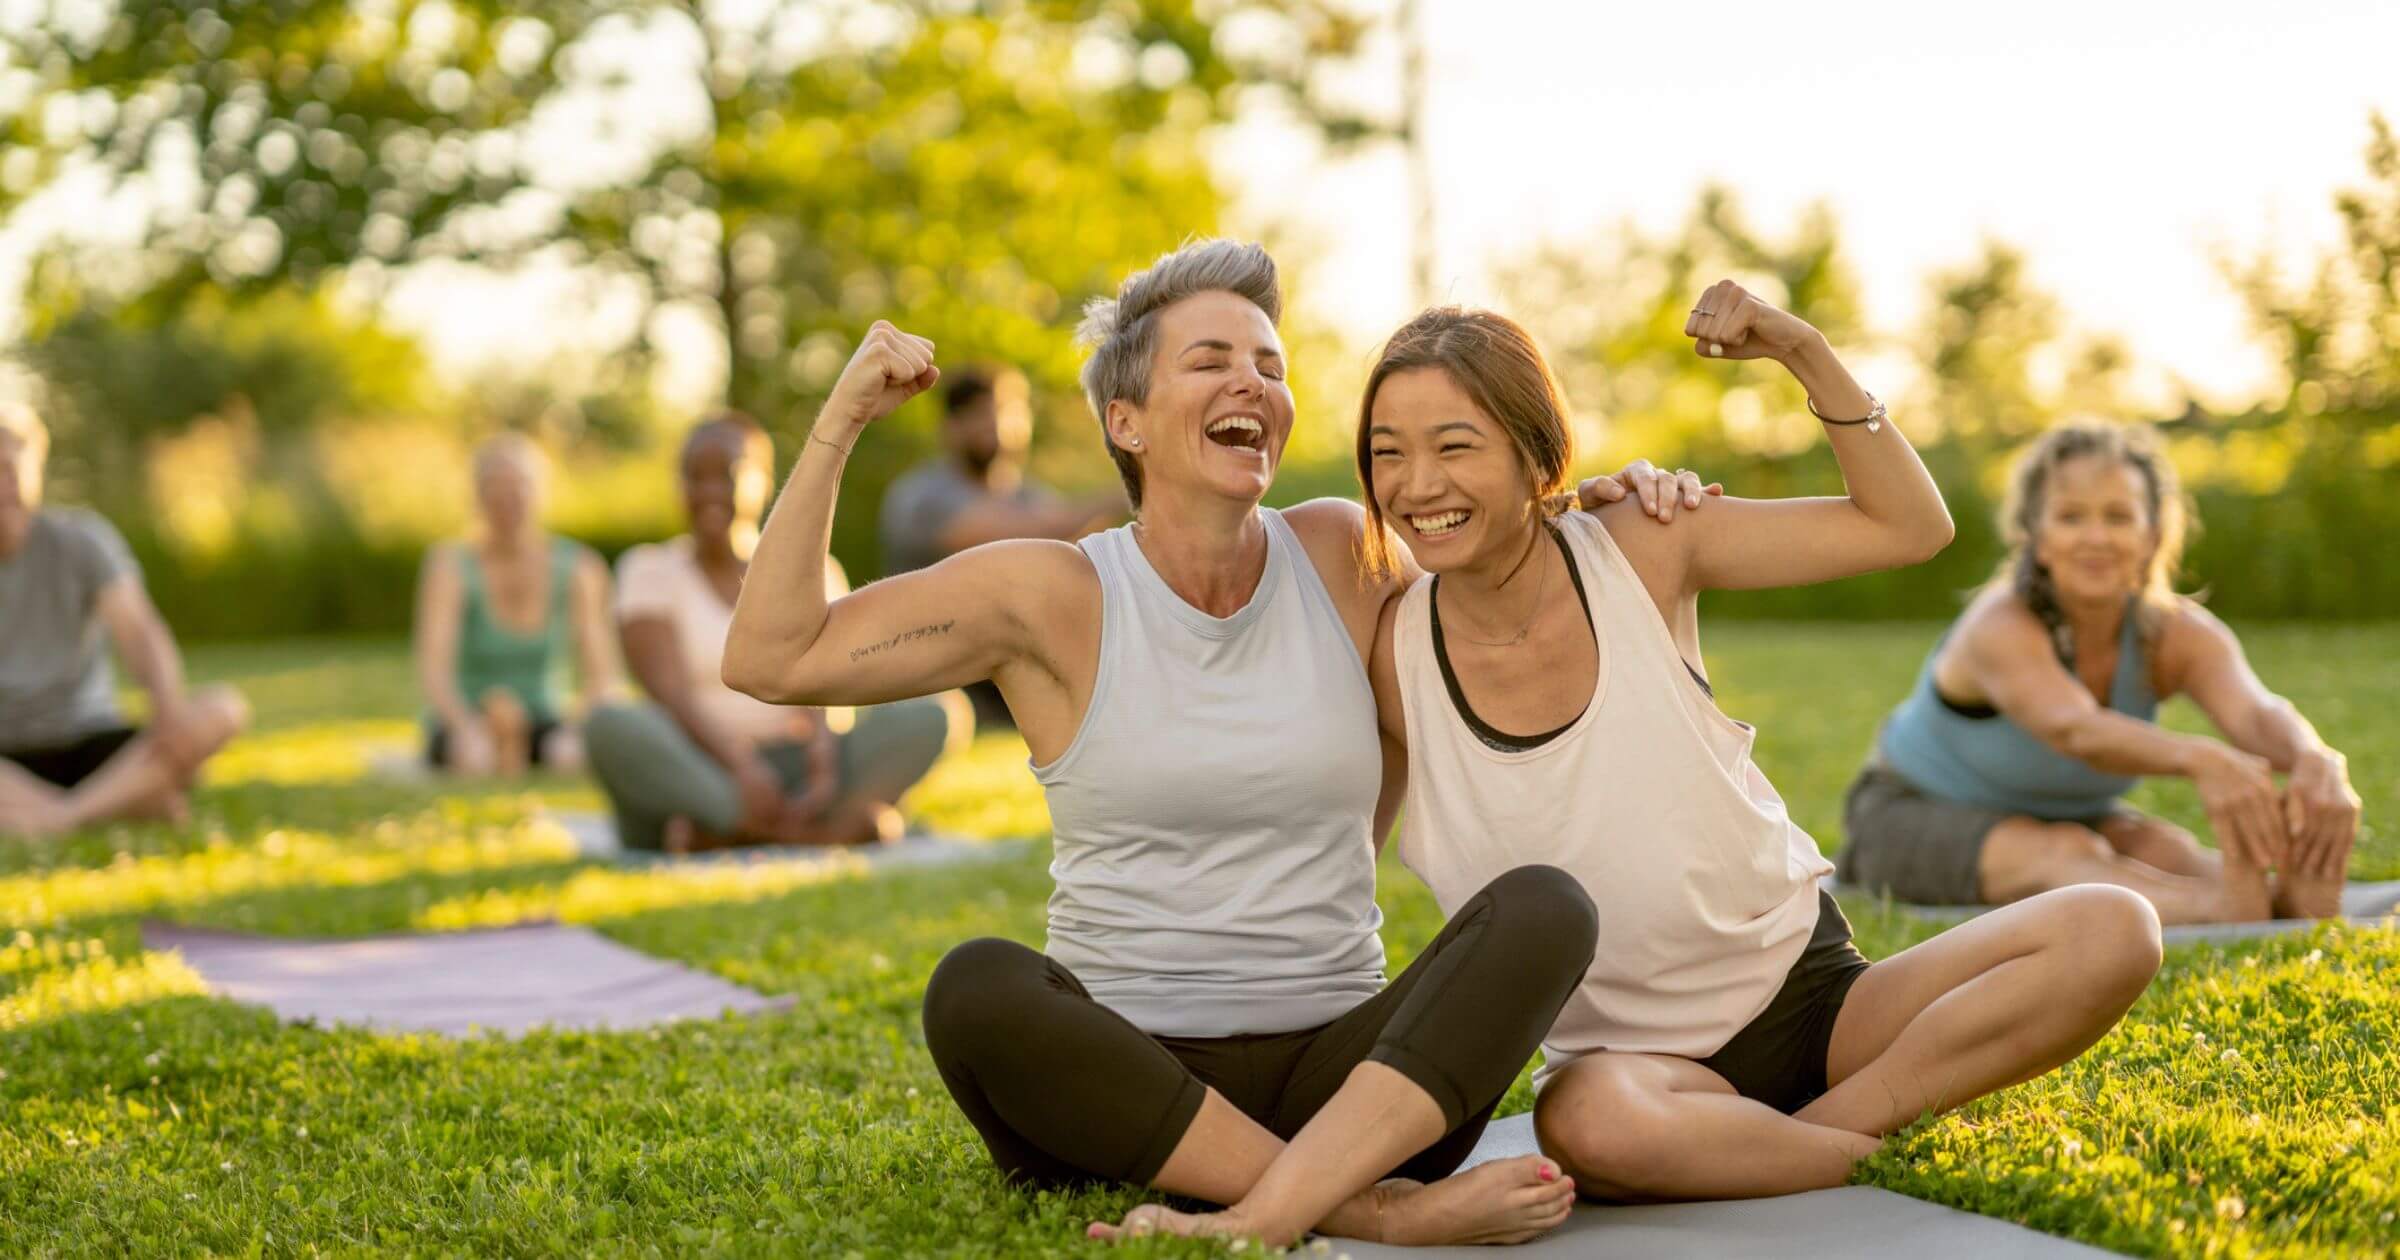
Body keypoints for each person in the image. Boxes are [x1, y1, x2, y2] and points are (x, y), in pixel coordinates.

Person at [720, 241, 1708, 1248]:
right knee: (975, 987)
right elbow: (772, 656)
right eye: (1209, 361)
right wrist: (838, 422)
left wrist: (1610, 508)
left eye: (1270, 365)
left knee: (1545, 909)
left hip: (1349, 1090)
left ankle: (1289, 1196)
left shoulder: (1343, 552)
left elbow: (1493, 542)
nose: (1251, 381)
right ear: (1126, 419)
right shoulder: (1050, 594)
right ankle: (1369, 1210)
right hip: (1123, 1093)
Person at [1357, 295, 2163, 1204]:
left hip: (1820, 1006)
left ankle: (1802, 1141)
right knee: (1585, 1127)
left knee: (2113, 927)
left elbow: (1908, 526)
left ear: (1536, 452)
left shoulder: (1643, 544)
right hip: (1636, 1072)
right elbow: (1340, 872)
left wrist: (1801, 348)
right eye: (1389, 452)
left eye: (1455, 446)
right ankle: (1864, 1149)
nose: (1418, 484)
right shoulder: (1391, 660)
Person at [1836, 422, 2361, 923]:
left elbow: (2255, 712)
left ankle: (2277, 897)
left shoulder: (2177, 634)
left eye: (2118, 517)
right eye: (2071, 517)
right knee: (2070, 853)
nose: (2096, 537)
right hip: (1910, 813)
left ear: (2152, 536)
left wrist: (2314, 759)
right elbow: (2076, 728)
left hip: (2066, 815)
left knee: (2165, 849)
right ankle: (2227, 909)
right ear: (2037, 539)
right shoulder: (2000, 623)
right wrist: (2202, 759)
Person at [584, 414, 966, 852]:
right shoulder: (649, 569)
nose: (709, 491)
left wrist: (822, 762)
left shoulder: (814, 569)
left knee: (936, 713)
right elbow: (669, 693)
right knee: (607, 724)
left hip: (793, 767)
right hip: (698, 768)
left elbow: (829, 684)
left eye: (725, 474)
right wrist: (740, 765)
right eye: (695, 476)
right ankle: (813, 833)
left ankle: (728, 836)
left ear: (763, 481)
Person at [0, 400, 249, 838]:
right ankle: (128, 801)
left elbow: (140, 632)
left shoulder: (81, 541)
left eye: (13, 466)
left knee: (222, 709)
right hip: (8, 757)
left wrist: (168, 711)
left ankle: (59, 816)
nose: (8, 483)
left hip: (92, 743)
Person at [879, 366, 1118, 727]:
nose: (995, 425)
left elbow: (1079, 563)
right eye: (979, 414)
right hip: (938, 670)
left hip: (1019, 665)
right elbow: (1018, 532)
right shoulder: (921, 495)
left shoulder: (1034, 498)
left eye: (1007, 411)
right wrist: (1132, 489)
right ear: (951, 426)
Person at [410, 434, 617, 776]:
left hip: (545, 719)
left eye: (520, 484)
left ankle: (517, 742)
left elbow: (602, 674)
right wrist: (465, 727)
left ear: (540, 492)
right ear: (476, 496)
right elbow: (434, 671)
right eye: (495, 486)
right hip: (467, 716)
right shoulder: (449, 565)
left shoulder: (579, 567)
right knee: (475, 760)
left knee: (568, 757)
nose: (507, 497)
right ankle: (499, 740)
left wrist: (575, 730)